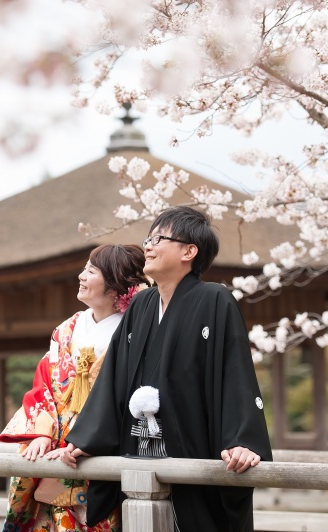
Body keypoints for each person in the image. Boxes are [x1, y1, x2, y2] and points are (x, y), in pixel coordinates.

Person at [62, 206, 273, 532]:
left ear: (189, 251)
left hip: (192, 449)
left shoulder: (215, 300)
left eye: (159, 238)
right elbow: (114, 376)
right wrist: (89, 437)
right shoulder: (141, 306)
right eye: (149, 237)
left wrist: (242, 439)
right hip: (140, 450)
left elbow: (236, 374)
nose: (148, 245)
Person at [0, 244, 148, 532]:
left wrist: (86, 440)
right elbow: (44, 382)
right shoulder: (67, 329)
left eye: (91, 271)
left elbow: (126, 399)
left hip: (98, 444)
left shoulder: (132, 334)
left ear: (116, 285)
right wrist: (41, 432)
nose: (81, 276)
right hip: (55, 439)